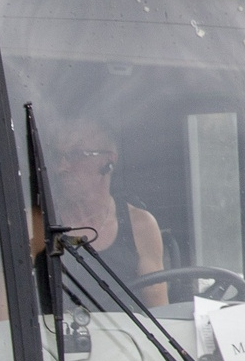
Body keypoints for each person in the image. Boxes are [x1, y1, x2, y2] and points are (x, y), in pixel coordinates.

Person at [46, 119, 167, 303]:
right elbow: (2, 318)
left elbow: (158, 313)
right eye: (58, 156)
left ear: (109, 161)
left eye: (76, 155)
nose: (61, 168)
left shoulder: (140, 226)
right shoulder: (39, 225)